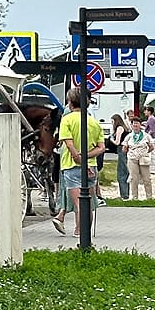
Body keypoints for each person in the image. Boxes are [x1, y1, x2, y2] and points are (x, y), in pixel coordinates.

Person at [53, 87, 104, 236]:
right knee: (88, 203)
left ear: (70, 103)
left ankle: (80, 233)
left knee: (79, 203)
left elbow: (68, 143)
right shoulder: (93, 122)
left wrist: (78, 157)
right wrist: (87, 157)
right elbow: (101, 148)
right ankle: (86, 232)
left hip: (71, 165)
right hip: (92, 167)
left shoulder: (66, 120)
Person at [124, 115, 154, 200]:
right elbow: (124, 148)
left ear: (140, 125)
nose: (135, 126)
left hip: (143, 158)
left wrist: (145, 152)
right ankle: (134, 197)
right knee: (133, 178)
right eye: (134, 124)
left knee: (146, 178)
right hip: (132, 158)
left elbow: (151, 147)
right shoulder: (129, 136)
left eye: (137, 124)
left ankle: (149, 197)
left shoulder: (146, 136)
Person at [108, 114, 129, 201]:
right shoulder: (124, 127)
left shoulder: (119, 128)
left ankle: (124, 194)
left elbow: (117, 142)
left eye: (112, 121)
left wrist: (110, 139)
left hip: (121, 149)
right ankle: (125, 193)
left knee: (122, 172)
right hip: (123, 150)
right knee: (124, 171)